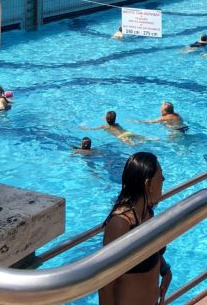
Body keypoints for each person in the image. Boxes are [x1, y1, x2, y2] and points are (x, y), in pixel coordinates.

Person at [99, 152, 171, 305]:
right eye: (160, 176)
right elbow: (105, 285)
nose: (164, 180)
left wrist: (165, 270)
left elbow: (149, 253)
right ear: (148, 185)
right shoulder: (121, 223)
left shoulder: (146, 212)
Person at [81, 110, 145, 145]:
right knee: (141, 137)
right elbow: (111, 121)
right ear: (115, 119)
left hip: (121, 136)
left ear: (106, 119)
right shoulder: (117, 124)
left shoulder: (104, 126)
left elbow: (92, 129)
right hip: (127, 133)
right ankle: (150, 139)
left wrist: (84, 128)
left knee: (132, 145)